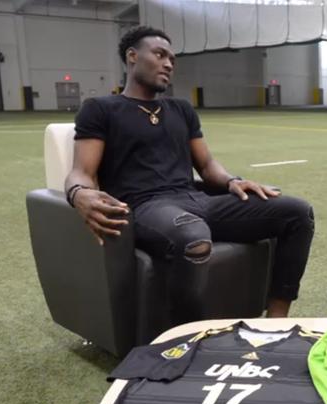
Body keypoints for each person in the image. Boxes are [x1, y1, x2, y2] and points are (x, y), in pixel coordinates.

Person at [65, 26, 314, 320]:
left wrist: (232, 181)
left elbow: (207, 166)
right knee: (192, 236)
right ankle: (189, 335)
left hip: (198, 200)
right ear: (132, 56)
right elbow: (81, 172)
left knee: (298, 213)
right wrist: (78, 194)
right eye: (159, 55)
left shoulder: (181, 109)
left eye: (172, 59)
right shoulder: (101, 108)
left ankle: (276, 320)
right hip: (146, 207)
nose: (168, 64)